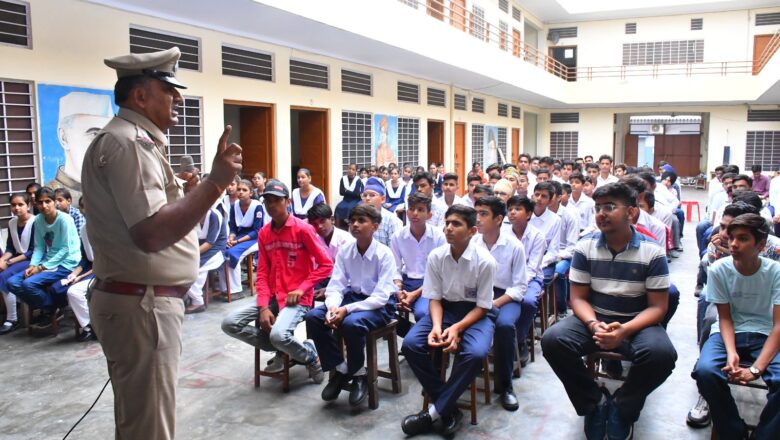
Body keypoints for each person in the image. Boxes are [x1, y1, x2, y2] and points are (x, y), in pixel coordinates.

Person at [82, 47, 242, 439]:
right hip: (143, 306)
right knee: (149, 428)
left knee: (143, 419)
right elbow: (151, 232)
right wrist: (215, 182)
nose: (179, 99)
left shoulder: (135, 141)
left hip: (143, 301)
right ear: (140, 96)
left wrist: (193, 195)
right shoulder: (129, 144)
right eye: (169, 90)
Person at [542, 182, 677, 439]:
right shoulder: (585, 246)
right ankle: (594, 402)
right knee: (553, 340)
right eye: (598, 208)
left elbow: (658, 307)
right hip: (594, 317)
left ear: (632, 213)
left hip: (636, 322)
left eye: (610, 207)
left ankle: (623, 407)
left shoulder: (652, 251)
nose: (601, 213)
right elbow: (578, 299)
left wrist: (624, 330)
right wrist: (593, 324)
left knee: (662, 355)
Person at [222, 179, 333, 382]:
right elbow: (262, 274)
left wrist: (301, 289)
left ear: (287, 202)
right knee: (230, 323)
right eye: (268, 201)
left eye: (276, 200)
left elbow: (326, 265)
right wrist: (263, 307)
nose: (272, 205)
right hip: (273, 296)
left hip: (299, 300)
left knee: (278, 335)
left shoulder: (303, 229)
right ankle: (287, 349)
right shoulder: (264, 233)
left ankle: (310, 356)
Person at [400, 205, 496, 437]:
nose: (449, 228)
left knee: (475, 353)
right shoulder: (437, 256)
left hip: (476, 313)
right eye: (447, 223)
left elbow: (483, 306)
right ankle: (449, 408)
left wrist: (456, 328)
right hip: (445, 309)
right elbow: (434, 298)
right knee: (411, 345)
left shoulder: (485, 261)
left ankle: (433, 413)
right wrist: (436, 327)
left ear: (472, 231)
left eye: (457, 224)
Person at [692, 213, 780, 439]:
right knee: (705, 371)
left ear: (761, 245)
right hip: (727, 333)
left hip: (767, 333)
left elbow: (778, 325)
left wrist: (755, 369)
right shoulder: (719, 269)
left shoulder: (776, 272)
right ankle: (732, 430)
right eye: (731, 237)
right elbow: (726, 318)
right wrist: (731, 353)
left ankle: (765, 435)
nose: (733, 244)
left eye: (742, 238)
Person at [305, 204, 397, 407]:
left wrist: (345, 310)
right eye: (352, 221)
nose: (355, 225)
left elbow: (381, 297)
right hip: (352, 298)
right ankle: (340, 369)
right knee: (313, 318)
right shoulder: (346, 251)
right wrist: (332, 307)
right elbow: (336, 286)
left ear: (375, 226)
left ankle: (359, 374)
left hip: (379, 306)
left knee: (351, 324)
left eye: (361, 221)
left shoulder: (384, 254)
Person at [472, 196, 527, 411]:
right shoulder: (473, 243)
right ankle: (468, 369)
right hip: (478, 295)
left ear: (499, 219)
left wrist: (494, 303)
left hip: (506, 297)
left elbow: (520, 287)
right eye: (476, 213)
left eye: (483, 214)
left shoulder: (514, 245)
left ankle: (505, 386)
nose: (477, 219)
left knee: (504, 326)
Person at [8, 187, 81, 328]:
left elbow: (66, 249)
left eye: (48, 201)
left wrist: (41, 267)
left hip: (67, 262)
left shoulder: (65, 220)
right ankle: (52, 307)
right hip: (49, 260)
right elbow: (39, 247)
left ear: (54, 202)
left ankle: (50, 309)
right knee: (12, 282)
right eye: (40, 202)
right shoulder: (39, 220)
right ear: (36, 204)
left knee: (28, 284)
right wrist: (32, 265)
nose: (44, 205)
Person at [391, 192, 446, 336]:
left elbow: (439, 274)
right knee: (383, 307)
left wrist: (414, 295)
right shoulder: (398, 236)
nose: (415, 213)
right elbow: (395, 268)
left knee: (422, 313)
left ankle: (416, 342)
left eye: (421, 210)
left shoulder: (438, 237)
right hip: (406, 281)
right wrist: (398, 289)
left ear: (429, 215)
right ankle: (412, 335)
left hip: (429, 284)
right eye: (411, 209)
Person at [45, 91, 114, 204]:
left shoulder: (113, 188)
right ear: (64, 138)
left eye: (107, 136)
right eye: (94, 134)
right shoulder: (50, 195)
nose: (103, 145)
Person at [504, 195, 546, 365]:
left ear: (528, 214)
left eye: (518, 209)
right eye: (510, 209)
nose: (512, 212)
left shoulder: (537, 236)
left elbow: (532, 268)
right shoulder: (503, 233)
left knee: (527, 302)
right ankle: (500, 340)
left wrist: (517, 285)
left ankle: (520, 341)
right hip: (507, 278)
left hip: (531, 278)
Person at [60, 196, 97, 341]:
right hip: (94, 271)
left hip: (110, 272)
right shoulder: (83, 230)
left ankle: (96, 327)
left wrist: (81, 276)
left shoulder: (109, 227)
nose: (85, 210)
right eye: (82, 206)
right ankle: (89, 327)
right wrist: (75, 273)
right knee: (70, 290)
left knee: (75, 291)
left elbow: (108, 259)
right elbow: (85, 258)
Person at [184, 196, 227, 314]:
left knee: (193, 268)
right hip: (199, 249)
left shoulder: (214, 216)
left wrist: (192, 254)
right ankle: (189, 296)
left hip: (216, 250)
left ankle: (197, 301)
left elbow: (210, 243)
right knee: (181, 265)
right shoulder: (192, 217)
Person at [0, 193, 36, 334]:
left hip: (32, 260)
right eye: (13, 205)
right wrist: (2, 259)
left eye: (20, 204)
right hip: (16, 259)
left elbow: (33, 251)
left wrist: (8, 263)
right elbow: (10, 248)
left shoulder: (35, 222)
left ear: (29, 206)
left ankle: (12, 319)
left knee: (4, 276)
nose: (17, 208)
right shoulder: (12, 223)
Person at [222, 179, 264, 296]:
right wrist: (231, 238)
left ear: (250, 193)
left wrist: (237, 241)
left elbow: (257, 231)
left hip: (255, 238)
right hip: (239, 236)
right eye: (239, 189)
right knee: (222, 250)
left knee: (233, 253)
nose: (240, 192)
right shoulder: (234, 205)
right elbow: (233, 226)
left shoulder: (257, 206)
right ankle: (225, 286)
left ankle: (236, 289)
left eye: (244, 190)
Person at [307, 203, 354, 299]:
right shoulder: (313, 239)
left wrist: (328, 289)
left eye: (322, 221)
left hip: (343, 281)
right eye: (315, 224)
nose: (319, 226)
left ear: (332, 220)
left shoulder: (347, 240)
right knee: (306, 292)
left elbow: (350, 274)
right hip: (321, 279)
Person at [549, 181, 579, 320]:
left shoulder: (569, 216)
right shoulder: (539, 215)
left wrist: (557, 256)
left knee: (558, 272)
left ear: (559, 197)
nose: (544, 200)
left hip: (564, 255)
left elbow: (572, 247)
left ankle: (561, 309)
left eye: (549, 196)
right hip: (544, 254)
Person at [530, 182, 561, 283]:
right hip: (524, 258)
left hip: (544, 260)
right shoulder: (525, 215)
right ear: (532, 196)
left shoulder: (555, 220)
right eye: (537, 194)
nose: (539, 198)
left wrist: (538, 264)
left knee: (540, 279)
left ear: (550, 201)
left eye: (544, 196)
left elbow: (553, 251)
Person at [361, 176, 402, 247]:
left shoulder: (391, 221)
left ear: (383, 199)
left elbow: (395, 252)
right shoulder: (358, 219)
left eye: (372, 195)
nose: (367, 198)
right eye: (365, 195)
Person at [335, 163, 364, 228]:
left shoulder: (358, 180)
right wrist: (350, 192)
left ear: (356, 171)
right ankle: (338, 226)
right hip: (346, 199)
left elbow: (356, 193)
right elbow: (341, 192)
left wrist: (346, 191)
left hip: (355, 199)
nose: (351, 170)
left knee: (350, 208)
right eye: (349, 168)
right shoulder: (343, 179)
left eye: (353, 169)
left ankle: (349, 225)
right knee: (338, 207)